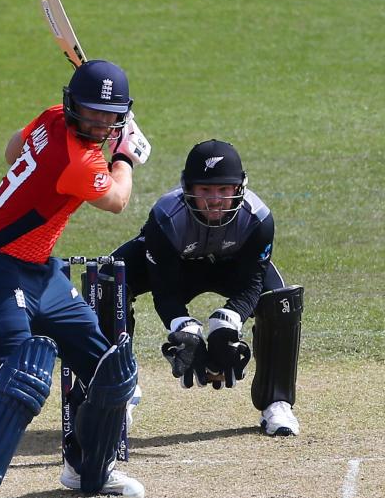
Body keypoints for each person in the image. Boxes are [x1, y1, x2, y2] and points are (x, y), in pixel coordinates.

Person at [0, 60, 151, 498]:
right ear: (74, 105)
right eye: (89, 115)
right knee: (22, 379)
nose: (96, 124)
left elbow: (14, 149)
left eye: (106, 117)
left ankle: (87, 471)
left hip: (39, 269)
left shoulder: (53, 116)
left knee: (110, 369)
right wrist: (126, 155)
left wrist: (105, 141)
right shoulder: (79, 161)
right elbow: (116, 200)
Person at [99, 139, 304, 437]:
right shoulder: (165, 218)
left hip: (232, 270)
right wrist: (186, 330)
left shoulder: (259, 219)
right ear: (187, 188)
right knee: (107, 281)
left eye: (224, 189)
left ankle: (277, 403)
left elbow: (251, 283)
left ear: (240, 187)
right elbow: (165, 291)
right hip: (176, 270)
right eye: (205, 190)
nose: (215, 200)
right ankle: (117, 396)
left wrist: (227, 323)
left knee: (281, 300)